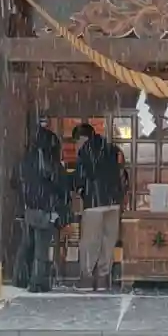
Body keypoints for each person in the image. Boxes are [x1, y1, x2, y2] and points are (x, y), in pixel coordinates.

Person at [71, 123, 127, 291]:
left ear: (82, 138)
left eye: (76, 141)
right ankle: (103, 277)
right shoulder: (113, 149)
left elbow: (80, 177)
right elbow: (123, 174)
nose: (76, 145)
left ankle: (87, 278)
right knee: (108, 242)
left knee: (90, 242)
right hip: (113, 203)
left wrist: (80, 190)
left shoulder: (85, 151)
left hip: (94, 202)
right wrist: (118, 194)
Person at [15, 125, 67, 294]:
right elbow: (60, 185)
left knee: (26, 245)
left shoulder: (26, 160)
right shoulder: (50, 162)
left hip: (29, 207)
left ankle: (21, 278)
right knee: (42, 248)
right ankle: (38, 282)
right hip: (46, 208)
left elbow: (14, 181)